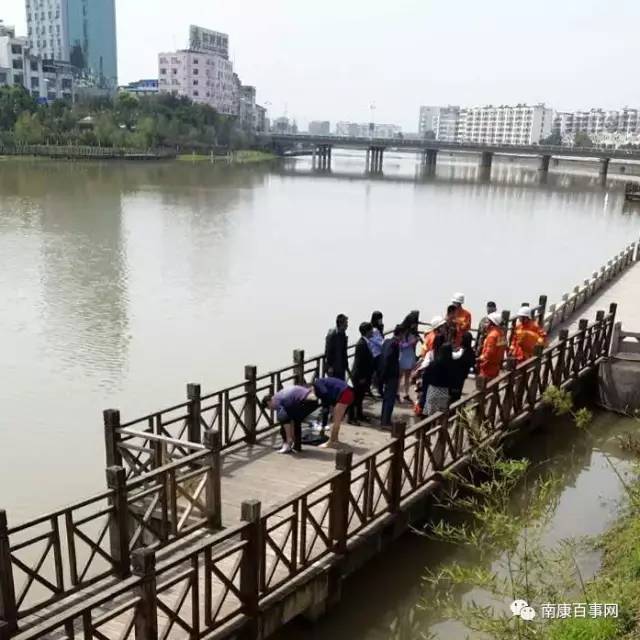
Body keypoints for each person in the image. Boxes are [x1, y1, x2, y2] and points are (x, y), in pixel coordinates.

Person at [262, 386, 319, 454]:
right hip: (312, 400)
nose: (272, 409)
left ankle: (287, 444)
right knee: (295, 420)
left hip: (307, 401)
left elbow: (284, 419)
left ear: (269, 402)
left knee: (283, 417)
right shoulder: (278, 395)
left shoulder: (277, 401)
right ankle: (296, 446)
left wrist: (289, 437)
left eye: (269, 408)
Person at [414, 316, 447, 415]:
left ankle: (421, 411)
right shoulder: (435, 338)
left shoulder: (430, 335)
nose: (445, 327)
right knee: (426, 393)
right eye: (443, 326)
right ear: (438, 327)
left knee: (423, 393)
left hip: (427, 365)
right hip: (430, 367)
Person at [313, 376, 355, 448]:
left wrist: (329, 406)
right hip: (349, 392)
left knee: (335, 420)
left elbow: (324, 392)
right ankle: (335, 439)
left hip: (344, 394)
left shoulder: (317, 383)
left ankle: (331, 442)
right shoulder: (325, 381)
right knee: (337, 420)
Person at [351, 322, 375, 424]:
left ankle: (360, 416)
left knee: (360, 397)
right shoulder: (361, 344)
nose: (372, 332)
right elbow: (359, 363)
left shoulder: (365, 342)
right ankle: (352, 418)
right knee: (355, 398)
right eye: (371, 330)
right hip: (360, 376)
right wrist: (361, 377)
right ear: (367, 331)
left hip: (364, 375)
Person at [379, 325, 402, 427]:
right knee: (390, 398)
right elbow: (388, 359)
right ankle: (386, 421)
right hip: (392, 375)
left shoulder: (387, 342)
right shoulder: (394, 344)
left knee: (386, 398)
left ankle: (384, 419)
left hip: (386, 374)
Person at [425, 342, 456, 416]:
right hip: (444, 391)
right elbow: (453, 379)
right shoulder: (452, 365)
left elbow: (427, 376)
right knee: (441, 414)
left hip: (433, 389)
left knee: (430, 414)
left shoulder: (434, 363)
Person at [478, 311, 507, 379]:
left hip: (487, 367)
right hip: (496, 366)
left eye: (487, 321)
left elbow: (489, 353)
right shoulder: (501, 333)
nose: (485, 323)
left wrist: (481, 358)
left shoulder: (492, 336)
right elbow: (502, 349)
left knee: (484, 387)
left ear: (492, 323)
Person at [450, 332, 476, 403]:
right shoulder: (471, 352)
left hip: (455, 376)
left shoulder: (460, 351)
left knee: (453, 395)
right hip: (463, 376)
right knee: (457, 394)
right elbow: (473, 364)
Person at [399, 314, 420, 403]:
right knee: (400, 376)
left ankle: (406, 394)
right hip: (403, 355)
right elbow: (400, 345)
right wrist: (411, 342)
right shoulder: (402, 332)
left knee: (407, 376)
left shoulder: (413, 332)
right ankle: (397, 393)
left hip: (410, 354)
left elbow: (412, 344)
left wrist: (416, 341)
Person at [325, 314, 349, 380]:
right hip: (334, 367)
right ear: (341, 323)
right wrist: (330, 366)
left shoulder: (343, 333)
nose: (347, 325)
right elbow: (328, 351)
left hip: (341, 365)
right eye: (346, 323)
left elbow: (344, 350)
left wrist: (346, 364)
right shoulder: (332, 334)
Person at [369, 311, 385, 394]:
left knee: (375, 372)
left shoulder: (376, 329)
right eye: (380, 319)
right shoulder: (374, 330)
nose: (381, 320)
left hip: (375, 354)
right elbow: (380, 342)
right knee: (378, 372)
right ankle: (379, 389)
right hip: (376, 354)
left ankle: (376, 388)